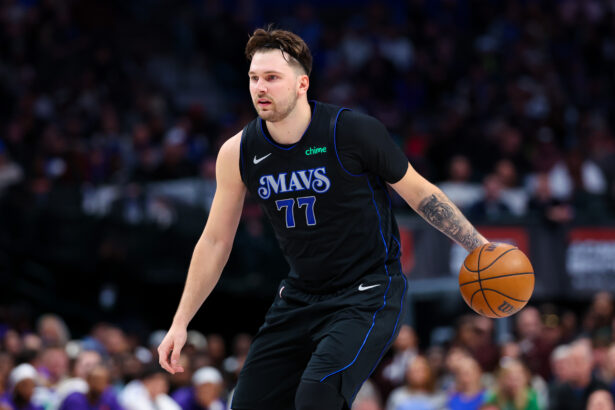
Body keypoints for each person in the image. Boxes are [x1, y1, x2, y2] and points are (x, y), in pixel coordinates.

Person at [157, 27, 489, 410]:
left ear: (302, 84)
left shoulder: (351, 131)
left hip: (367, 292)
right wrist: (180, 322)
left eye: (272, 77)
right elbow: (215, 241)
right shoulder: (238, 152)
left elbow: (420, 192)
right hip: (300, 296)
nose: (260, 87)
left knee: (317, 396)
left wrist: (478, 245)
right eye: (253, 78)